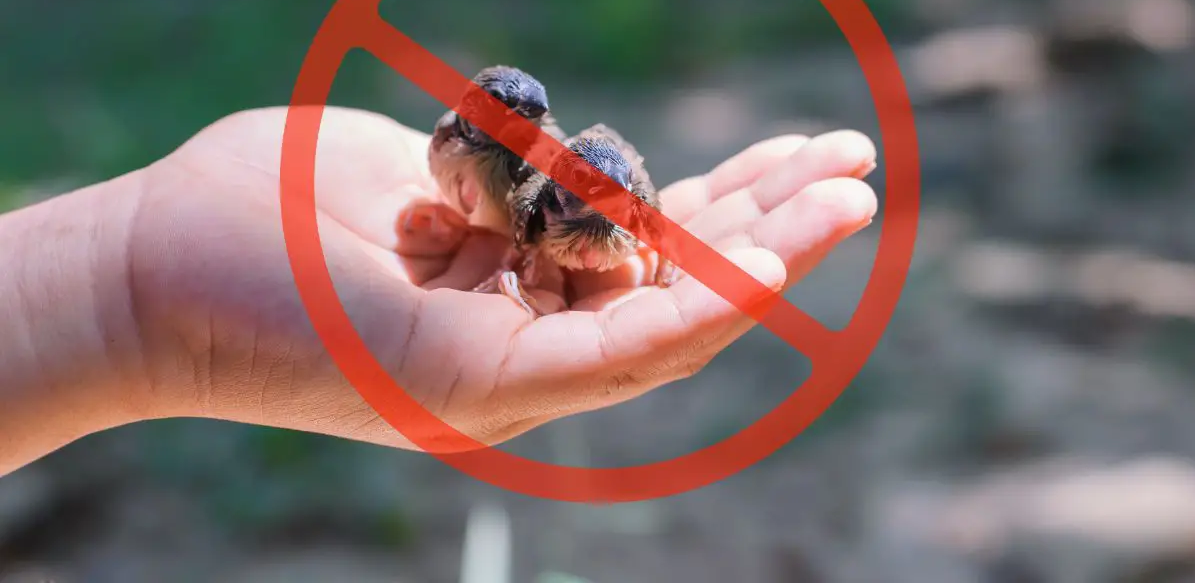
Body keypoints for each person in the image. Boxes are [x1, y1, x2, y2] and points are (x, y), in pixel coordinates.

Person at [0, 106, 877, 477]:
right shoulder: (540, 209)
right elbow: (531, 239)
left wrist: (117, 285)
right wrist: (122, 283)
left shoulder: (610, 209)